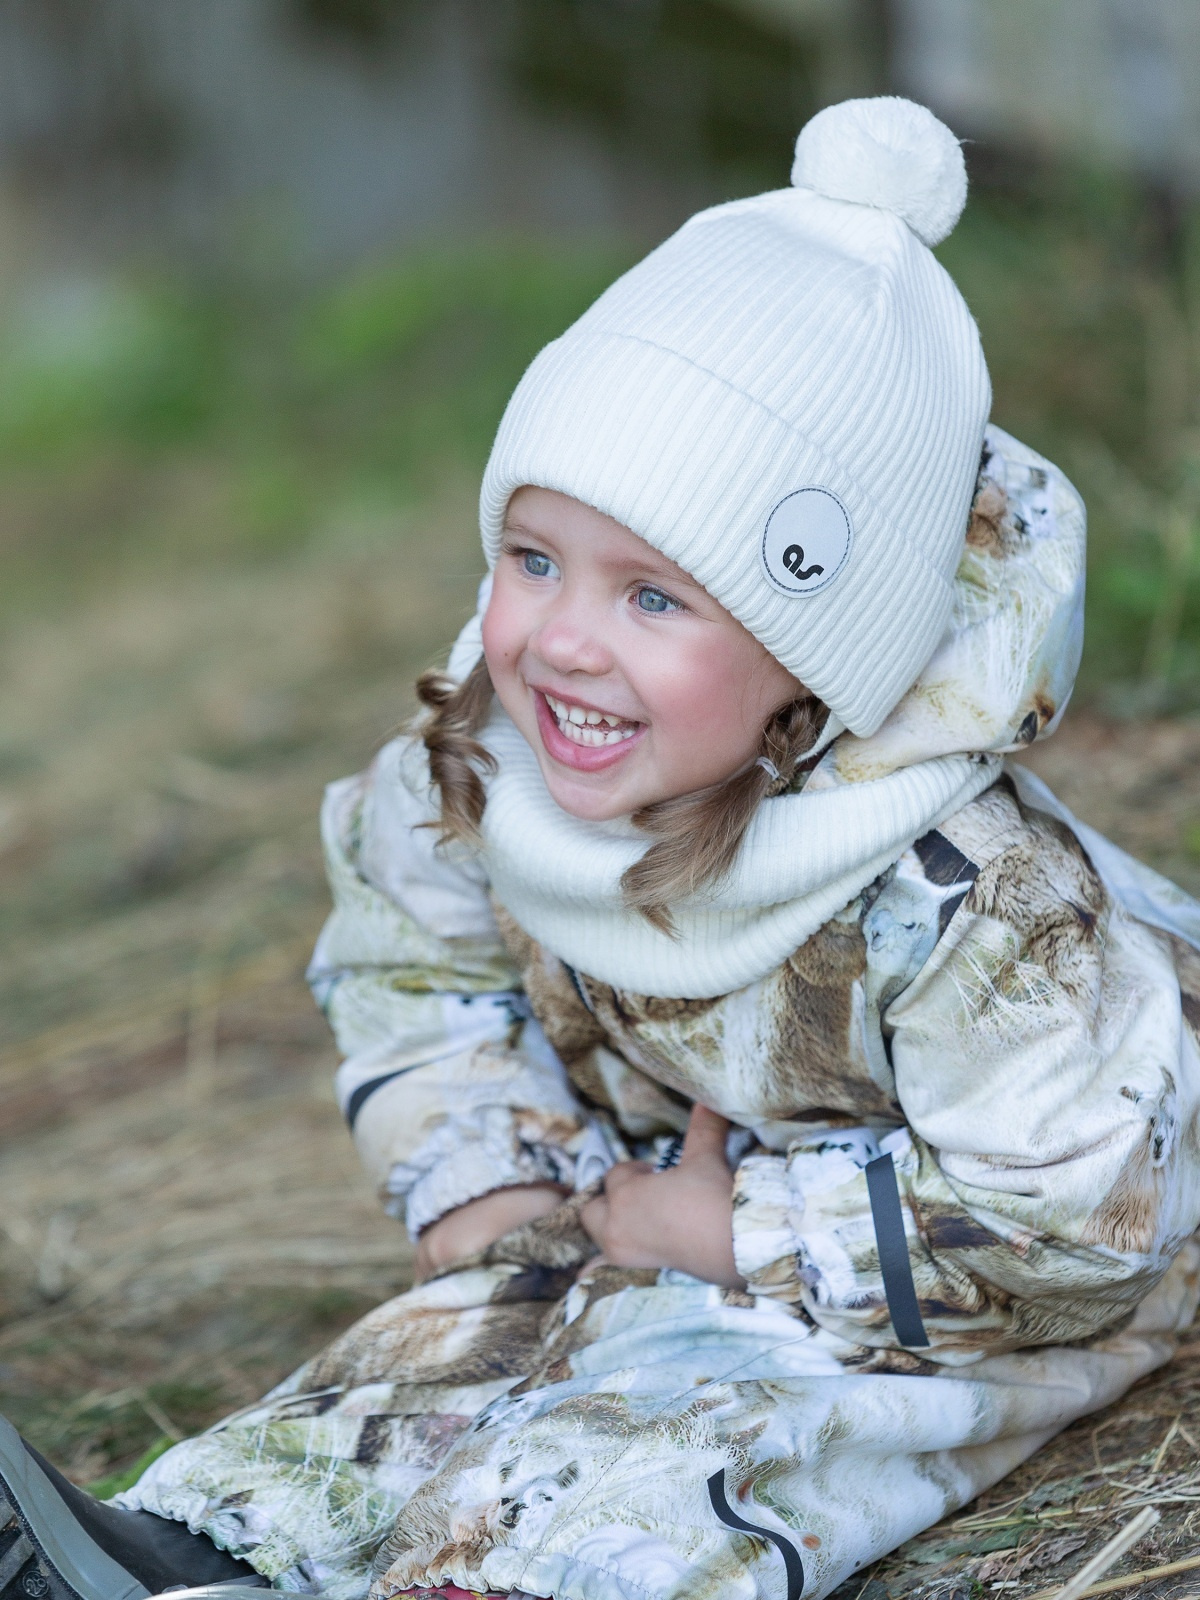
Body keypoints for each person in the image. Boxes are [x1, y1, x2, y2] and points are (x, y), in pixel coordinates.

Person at [5, 95, 1200, 1600]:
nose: (562, 641)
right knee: (453, 1350)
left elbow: (1074, 1213)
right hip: (659, 1171)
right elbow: (409, 972)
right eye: (533, 557)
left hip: (1006, 1251)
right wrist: (490, 1185)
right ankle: (206, 1545)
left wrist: (742, 1230)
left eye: (654, 598)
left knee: (714, 1426)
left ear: (814, 654)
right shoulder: (479, 771)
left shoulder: (975, 903)